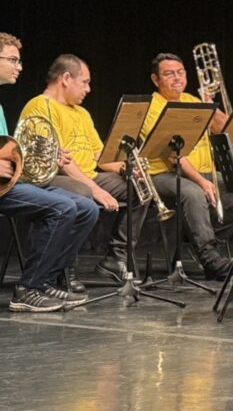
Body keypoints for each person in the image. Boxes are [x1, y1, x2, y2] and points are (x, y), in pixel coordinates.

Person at [19, 54, 148, 284]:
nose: (88, 89)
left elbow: (99, 155)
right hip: (53, 179)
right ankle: (64, 269)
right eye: (85, 82)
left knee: (141, 189)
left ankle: (115, 259)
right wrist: (96, 189)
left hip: (89, 176)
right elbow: (61, 161)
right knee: (83, 193)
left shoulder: (82, 113)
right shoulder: (40, 106)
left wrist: (124, 168)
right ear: (66, 78)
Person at [0, 33, 99, 312]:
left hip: (8, 183)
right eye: (12, 60)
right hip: (3, 187)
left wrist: (47, 153)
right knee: (63, 206)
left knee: (86, 207)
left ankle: (45, 282)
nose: (19, 67)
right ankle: (27, 289)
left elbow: (8, 150)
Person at [139, 53, 233, 279]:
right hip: (163, 175)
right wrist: (201, 181)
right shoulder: (153, 108)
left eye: (180, 72)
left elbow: (229, 131)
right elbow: (174, 156)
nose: (176, 78)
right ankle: (208, 256)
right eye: (169, 74)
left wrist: (210, 105)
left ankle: (201, 242)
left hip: (202, 173)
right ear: (156, 80)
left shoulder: (191, 101)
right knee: (193, 193)